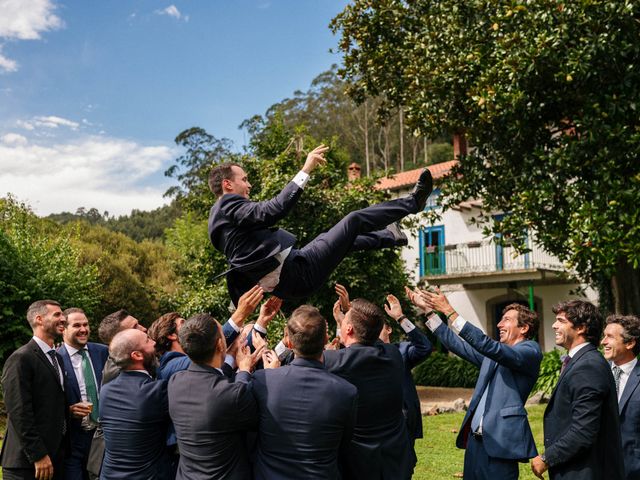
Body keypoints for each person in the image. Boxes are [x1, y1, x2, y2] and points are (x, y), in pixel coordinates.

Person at [208, 144, 433, 305]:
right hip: (297, 274)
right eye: (244, 179)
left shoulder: (221, 219)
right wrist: (305, 170)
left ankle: (392, 235)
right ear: (228, 184)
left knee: (343, 240)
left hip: (297, 266)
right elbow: (273, 210)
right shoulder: (228, 205)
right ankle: (413, 202)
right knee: (353, 220)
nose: (249, 185)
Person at [411, 287, 542, 480]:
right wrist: (429, 312)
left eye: (506, 320)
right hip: (475, 444)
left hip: (500, 444)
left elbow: (487, 345)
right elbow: (457, 344)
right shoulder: (494, 355)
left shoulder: (530, 351)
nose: (498, 324)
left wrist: (450, 311)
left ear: (524, 328)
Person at [251, 305, 358, 479]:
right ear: (326, 338)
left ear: (290, 342)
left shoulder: (263, 380)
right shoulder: (346, 391)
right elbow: (344, 444)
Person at [531, 300, 624, 480]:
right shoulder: (580, 361)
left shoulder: (588, 366)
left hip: (585, 472)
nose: (554, 325)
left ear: (581, 327)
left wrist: (546, 458)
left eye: (561, 320)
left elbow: (584, 431)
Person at [323, 298, 415, 479]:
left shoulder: (333, 361)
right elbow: (370, 336)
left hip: (358, 463)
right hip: (396, 459)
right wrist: (355, 317)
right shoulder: (392, 354)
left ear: (348, 328)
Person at [168, 313, 263, 480]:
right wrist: (245, 371)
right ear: (220, 344)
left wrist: (232, 358)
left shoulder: (175, 382)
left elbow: (212, 379)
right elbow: (255, 419)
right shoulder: (232, 395)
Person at [1, 300, 68, 480]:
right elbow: (19, 411)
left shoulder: (57, 359)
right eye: (57, 315)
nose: (63, 319)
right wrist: (38, 455)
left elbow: (46, 402)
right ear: (39, 319)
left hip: (55, 457)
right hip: (27, 464)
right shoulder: (21, 358)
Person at [99, 329, 171, 480]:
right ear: (137, 355)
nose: (154, 342)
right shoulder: (156, 391)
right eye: (147, 340)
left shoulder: (106, 391)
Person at [57, 308, 109, 480]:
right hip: (73, 439)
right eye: (77, 325)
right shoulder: (55, 358)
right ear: (63, 328)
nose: (84, 329)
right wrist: (68, 410)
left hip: (102, 436)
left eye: (86, 324)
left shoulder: (103, 352)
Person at [381, 293, 432, 446]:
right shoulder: (362, 353)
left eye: (379, 327)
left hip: (404, 421)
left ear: (388, 329)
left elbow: (425, 347)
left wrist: (401, 318)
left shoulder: (402, 350)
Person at [601, 314, 640, 480]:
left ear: (630, 343)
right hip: (599, 467)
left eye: (610, 337)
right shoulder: (596, 373)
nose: (603, 342)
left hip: (634, 469)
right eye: (604, 336)